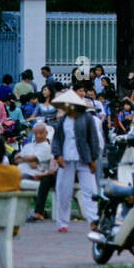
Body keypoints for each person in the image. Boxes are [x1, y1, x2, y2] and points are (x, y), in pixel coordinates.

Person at [49, 89, 101, 233]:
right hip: (66, 158)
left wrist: (94, 158)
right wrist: (57, 155)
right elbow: (57, 139)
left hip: (84, 158)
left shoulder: (87, 118)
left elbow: (93, 139)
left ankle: (93, 220)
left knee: (90, 190)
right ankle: (62, 222)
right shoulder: (63, 120)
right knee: (63, 190)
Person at [17, 122, 56, 222]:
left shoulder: (46, 147)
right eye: (36, 133)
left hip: (32, 174)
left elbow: (33, 158)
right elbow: (16, 159)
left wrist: (25, 159)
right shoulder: (28, 146)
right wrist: (28, 160)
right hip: (21, 172)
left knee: (12, 179)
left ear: (46, 133)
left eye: (41, 133)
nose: (38, 136)